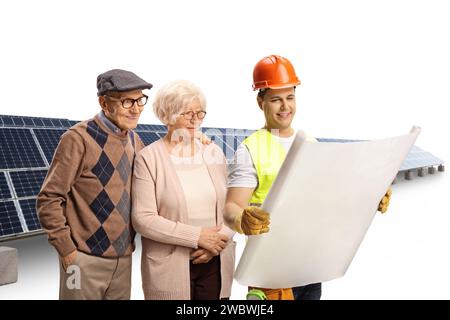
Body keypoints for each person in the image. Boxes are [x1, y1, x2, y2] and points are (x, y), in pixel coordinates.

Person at [224, 55, 392, 300]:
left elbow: (332, 198)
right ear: (261, 102)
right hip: (271, 272)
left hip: (310, 267)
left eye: (290, 97)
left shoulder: (311, 144)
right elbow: (231, 207)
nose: (285, 107)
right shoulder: (249, 150)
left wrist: (371, 194)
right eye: (276, 100)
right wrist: (241, 218)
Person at [36, 69, 152, 299]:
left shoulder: (134, 139)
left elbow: (158, 170)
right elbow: (49, 199)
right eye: (127, 101)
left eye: (140, 100)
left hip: (123, 260)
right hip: (82, 259)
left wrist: (193, 139)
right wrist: (67, 250)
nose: (136, 108)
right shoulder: (77, 138)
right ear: (104, 102)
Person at [131, 80, 236, 300]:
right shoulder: (148, 158)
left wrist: (216, 245)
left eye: (200, 113)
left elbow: (232, 210)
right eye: (187, 113)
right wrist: (198, 237)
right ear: (167, 115)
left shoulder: (214, 153)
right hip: (170, 266)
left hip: (215, 262)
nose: (195, 120)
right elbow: (143, 218)